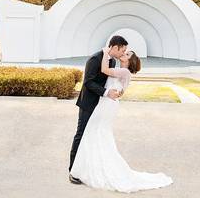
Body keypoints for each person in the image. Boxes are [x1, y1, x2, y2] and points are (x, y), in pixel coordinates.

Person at [70, 46, 173, 193]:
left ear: (129, 60)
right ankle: (87, 166)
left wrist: (106, 52)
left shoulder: (124, 71)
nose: (125, 53)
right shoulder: (120, 69)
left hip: (107, 105)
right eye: (125, 51)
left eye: (127, 53)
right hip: (106, 103)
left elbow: (105, 71)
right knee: (96, 133)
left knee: (96, 131)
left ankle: (85, 168)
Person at [69, 35, 127, 182]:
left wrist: (115, 91)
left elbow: (109, 81)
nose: (123, 53)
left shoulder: (113, 61)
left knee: (93, 137)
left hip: (102, 106)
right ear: (114, 47)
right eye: (122, 50)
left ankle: (86, 168)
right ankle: (72, 171)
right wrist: (107, 93)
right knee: (81, 135)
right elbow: (88, 82)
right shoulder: (95, 59)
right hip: (88, 104)